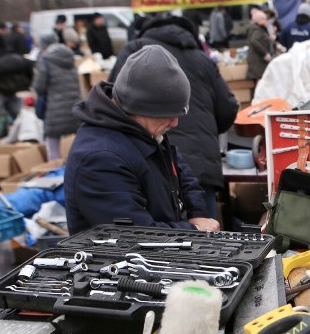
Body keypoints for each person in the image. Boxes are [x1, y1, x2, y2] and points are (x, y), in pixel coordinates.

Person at [65, 45, 218, 234]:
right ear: (140, 108)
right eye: (168, 114)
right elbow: (134, 235)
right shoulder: (100, 159)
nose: (175, 122)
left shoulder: (145, 130)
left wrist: (198, 212)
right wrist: (194, 229)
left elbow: (180, 173)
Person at [110, 17, 238, 221]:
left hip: (159, 163)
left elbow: (116, 100)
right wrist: (208, 133)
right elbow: (228, 108)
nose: (174, 122)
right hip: (196, 159)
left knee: (199, 238)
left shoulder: (132, 50)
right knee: (205, 242)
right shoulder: (201, 58)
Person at [32, 33, 81, 161]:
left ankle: (55, 171)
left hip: (55, 107)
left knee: (52, 139)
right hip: (74, 105)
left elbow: (39, 87)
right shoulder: (69, 55)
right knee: (78, 140)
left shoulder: (45, 59)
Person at [0, 48, 35, 119]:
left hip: (4, 91)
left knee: (0, 114)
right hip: (0, 91)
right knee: (10, 113)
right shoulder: (23, 64)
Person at [246, 9, 272, 84]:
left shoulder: (258, 29)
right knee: (260, 82)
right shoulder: (257, 30)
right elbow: (254, 41)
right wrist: (265, 53)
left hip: (258, 60)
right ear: (258, 20)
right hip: (258, 61)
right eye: (264, 19)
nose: (266, 21)